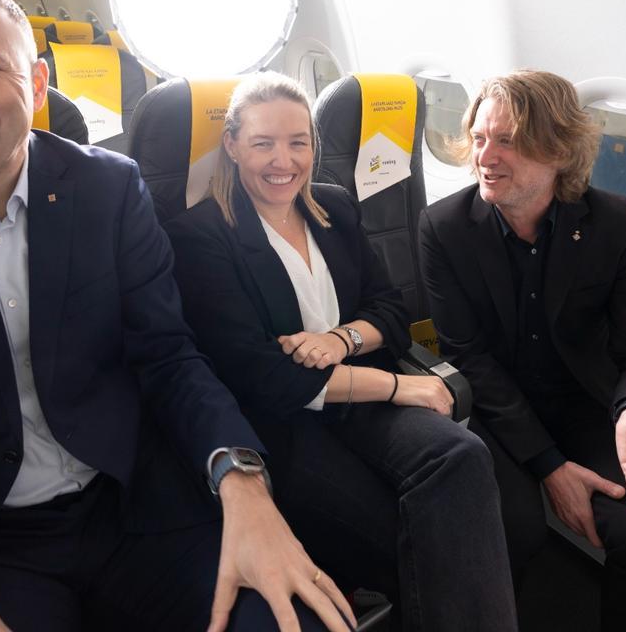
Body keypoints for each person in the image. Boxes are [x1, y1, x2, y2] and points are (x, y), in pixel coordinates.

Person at [0, 0, 355, 632]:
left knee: (295, 620)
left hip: (132, 509)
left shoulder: (107, 188)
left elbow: (168, 358)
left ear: (34, 84)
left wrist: (241, 479)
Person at [165, 72, 518, 631]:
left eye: (298, 142)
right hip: (288, 425)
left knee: (463, 456)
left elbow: (390, 312)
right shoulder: (201, 236)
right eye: (263, 143)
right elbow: (267, 379)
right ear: (231, 146)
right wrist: (401, 386)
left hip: (359, 402)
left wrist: (340, 340)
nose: (284, 160)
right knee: (409, 538)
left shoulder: (333, 207)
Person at [418, 69, 626, 631]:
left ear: (558, 149)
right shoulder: (446, 227)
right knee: (507, 532)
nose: (486, 155)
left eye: (507, 139)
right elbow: (469, 356)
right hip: (495, 414)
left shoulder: (617, 224)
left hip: (587, 411)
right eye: (481, 137)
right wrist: (549, 467)